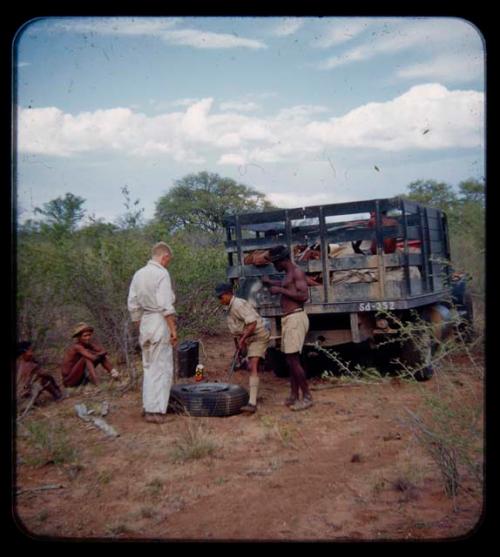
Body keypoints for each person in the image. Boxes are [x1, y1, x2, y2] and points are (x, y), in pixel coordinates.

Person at [127, 241, 178, 424]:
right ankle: (155, 411)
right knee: (161, 367)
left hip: (146, 323)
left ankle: (148, 405)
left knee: (148, 366)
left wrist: (141, 326)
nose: (167, 263)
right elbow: (165, 305)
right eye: (168, 260)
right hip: (159, 321)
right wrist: (172, 330)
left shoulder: (139, 274)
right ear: (164, 257)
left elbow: (132, 304)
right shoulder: (161, 274)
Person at [262, 245, 313, 411]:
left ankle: (306, 397)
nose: (274, 266)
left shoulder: (297, 272)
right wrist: (272, 283)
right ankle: (293, 395)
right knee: (290, 361)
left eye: (275, 263)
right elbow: (289, 285)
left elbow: (304, 296)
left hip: (295, 318)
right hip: (289, 319)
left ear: (282, 261)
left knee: (293, 360)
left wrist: (280, 290)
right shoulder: (288, 274)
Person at [215, 282, 270, 414]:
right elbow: (235, 332)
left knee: (252, 365)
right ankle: (252, 396)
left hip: (257, 336)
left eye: (221, 297)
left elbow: (252, 324)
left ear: (228, 294)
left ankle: (252, 403)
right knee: (248, 365)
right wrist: (239, 348)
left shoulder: (238, 304)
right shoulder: (227, 308)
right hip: (247, 338)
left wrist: (243, 340)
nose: (219, 300)